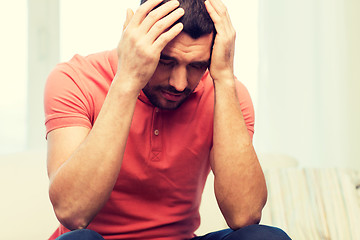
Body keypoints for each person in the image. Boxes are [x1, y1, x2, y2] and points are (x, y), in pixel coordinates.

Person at [44, 0, 291, 239]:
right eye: (165, 61)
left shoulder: (226, 94)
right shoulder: (75, 79)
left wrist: (225, 78)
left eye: (196, 66)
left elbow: (244, 215)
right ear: (136, 38)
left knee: (267, 237)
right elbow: (72, 212)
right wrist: (128, 79)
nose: (179, 83)